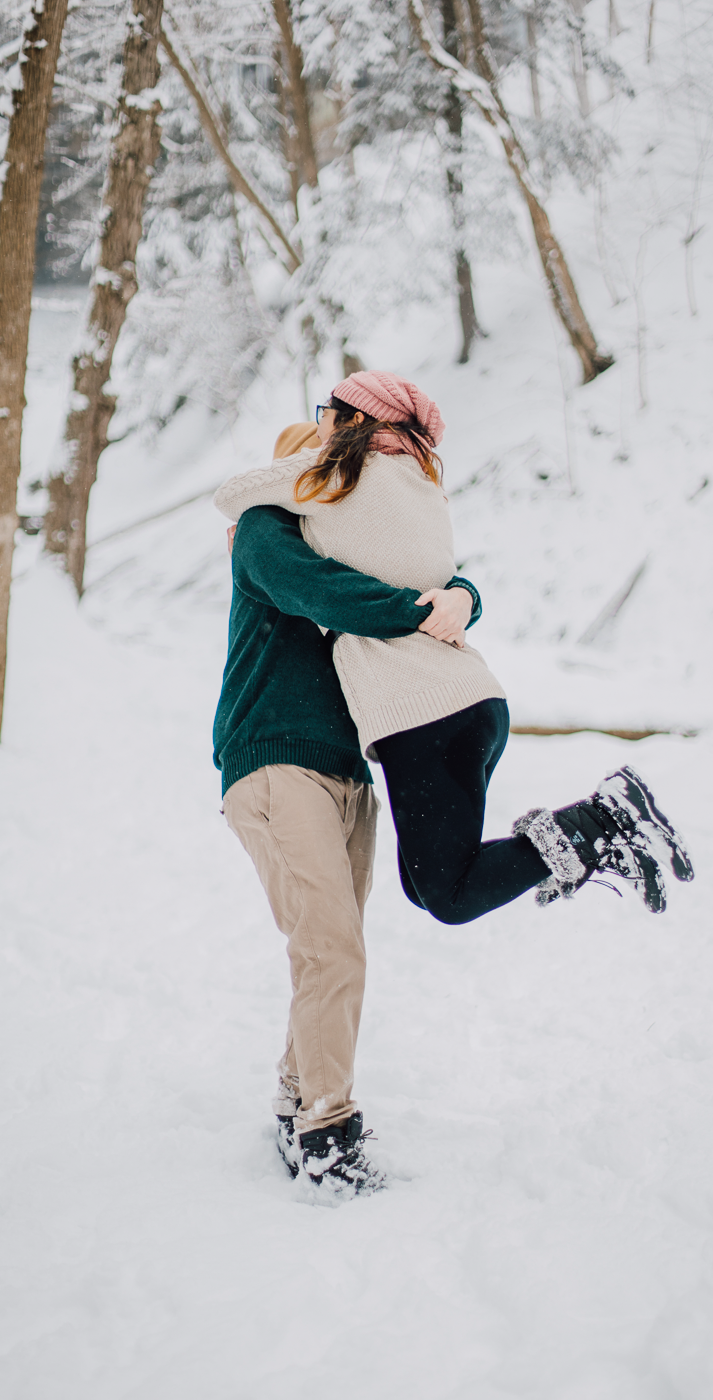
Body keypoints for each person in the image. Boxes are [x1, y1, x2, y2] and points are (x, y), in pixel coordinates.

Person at [215, 371, 694, 931]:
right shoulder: (420, 483)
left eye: (326, 409)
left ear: (356, 421)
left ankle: (599, 820)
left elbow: (236, 497)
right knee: (427, 886)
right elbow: (431, 577)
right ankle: (591, 842)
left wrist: (269, 513)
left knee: (449, 893)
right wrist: (461, 598)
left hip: (419, 711)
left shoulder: (336, 474)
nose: (319, 420)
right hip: (475, 700)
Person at [214, 491, 482, 1194]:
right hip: (274, 760)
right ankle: (326, 1134)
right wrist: (434, 608)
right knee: (330, 947)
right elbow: (325, 594)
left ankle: (294, 1097)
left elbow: (422, 570)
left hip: (346, 771)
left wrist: (463, 592)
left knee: (329, 950)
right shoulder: (265, 530)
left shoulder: (350, 538)